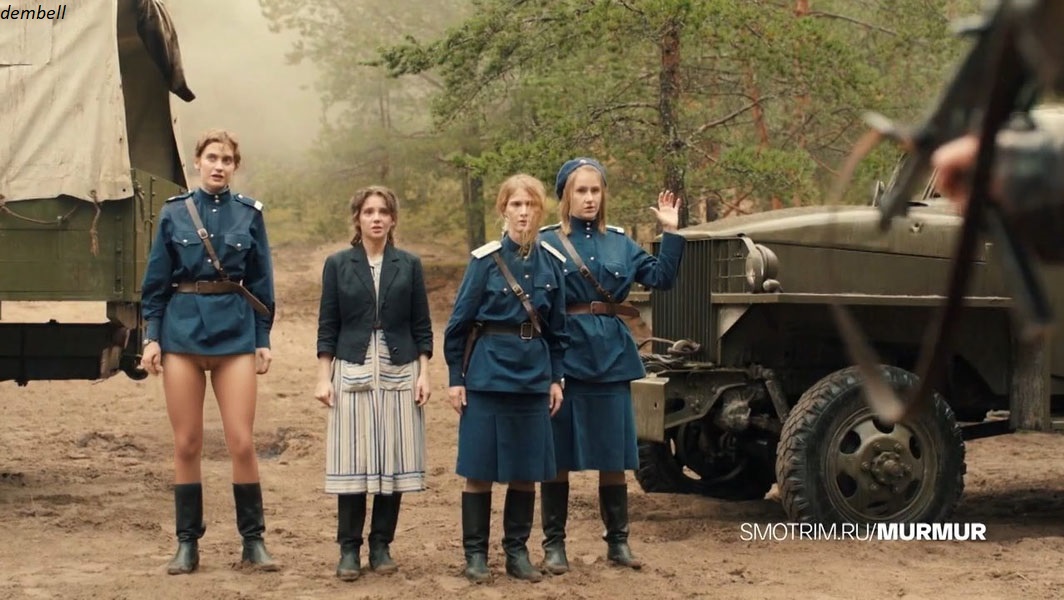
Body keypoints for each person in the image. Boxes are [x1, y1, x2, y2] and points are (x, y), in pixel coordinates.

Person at [139, 129, 279, 575]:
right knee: (187, 443)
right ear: (197, 161)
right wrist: (152, 337)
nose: (219, 166)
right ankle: (187, 544)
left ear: (235, 166)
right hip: (182, 334)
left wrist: (262, 339)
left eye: (227, 160)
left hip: (235, 335)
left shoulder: (249, 214)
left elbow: (262, 283)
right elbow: (155, 284)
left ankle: (253, 541)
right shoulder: (174, 213)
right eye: (212, 157)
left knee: (241, 441)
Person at [536, 157, 683, 573]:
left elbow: (662, 278)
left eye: (595, 190)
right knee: (558, 456)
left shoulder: (619, 242)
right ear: (566, 196)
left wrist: (671, 231)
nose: (589, 198)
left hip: (613, 358)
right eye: (580, 191)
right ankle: (554, 545)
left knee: (614, 456)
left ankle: (618, 542)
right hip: (566, 355)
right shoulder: (547, 242)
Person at [443, 174, 569, 584]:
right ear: (503, 209)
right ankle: (475, 555)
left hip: (533, 378)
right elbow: (458, 325)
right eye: (516, 204)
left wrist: (556, 378)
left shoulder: (552, 263)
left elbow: (558, 331)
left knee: (526, 468)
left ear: (540, 211)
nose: (523, 213)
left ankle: (517, 553)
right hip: (487, 376)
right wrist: (456, 378)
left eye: (531, 205)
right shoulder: (485, 261)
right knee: (479, 468)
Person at [314, 185, 433, 581]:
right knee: (353, 459)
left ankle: (381, 545)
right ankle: (349, 549)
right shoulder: (338, 264)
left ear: (393, 219)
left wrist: (424, 372)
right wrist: (324, 377)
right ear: (358, 218)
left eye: (383, 212)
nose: (376, 218)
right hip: (353, 366)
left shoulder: (409, 264)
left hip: (400, 368)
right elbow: (328, 325)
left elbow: (421, 325)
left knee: (392, 460)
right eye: (369, 212)